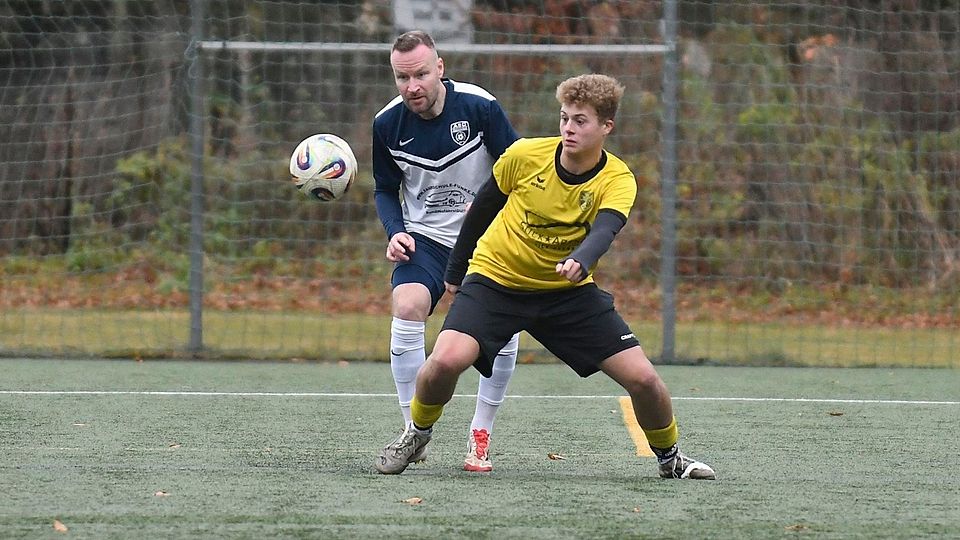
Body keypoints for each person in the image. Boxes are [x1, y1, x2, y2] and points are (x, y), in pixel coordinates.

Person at [375, 73, 716, 480]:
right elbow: (481, 210)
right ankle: (416, 434)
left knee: (645, 380)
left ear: (606, 126)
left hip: (566, 293)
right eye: (564, 118)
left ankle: (670, 458)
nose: (568, 129)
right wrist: (455, 270)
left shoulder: (618, 178)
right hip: (496, 281)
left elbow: (607, 228)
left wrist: (582, 259)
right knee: (444, 361)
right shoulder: (524, 156)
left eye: (581, 121)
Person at [371, 30, 521, 473]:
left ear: (440, 68)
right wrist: (395, 231)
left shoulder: (479, 106)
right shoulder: (386, 123)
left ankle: (481, 433)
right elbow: (384, 188)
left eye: (420, 74)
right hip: (427, 239)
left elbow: (517, 169)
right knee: (408, 304)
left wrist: (505, 218)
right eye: (402, 77)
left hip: (488, 239)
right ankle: (412, 432)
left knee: (502, 325)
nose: (412, 86)